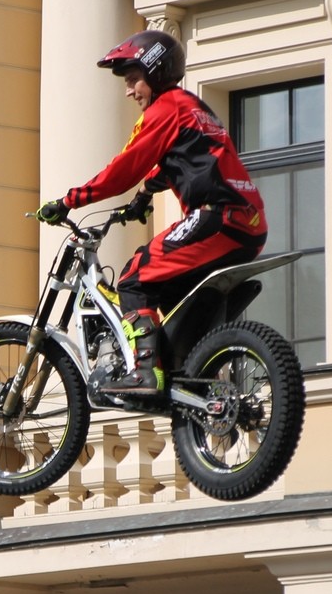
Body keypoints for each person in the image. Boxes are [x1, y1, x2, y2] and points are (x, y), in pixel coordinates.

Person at [36, 30, 267, 398]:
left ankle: (145, 373)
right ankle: (188, 370)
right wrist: (145, 194)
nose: (129, 91)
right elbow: (191, 156)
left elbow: (123, 168)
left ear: (154, 71)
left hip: (215, 218)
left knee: (134, 277)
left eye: (132, 80)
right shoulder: (192, 106)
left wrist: (69, 201)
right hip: (248, 223)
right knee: (170, 290)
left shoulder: (163, 110)